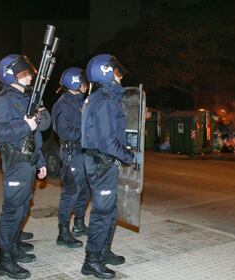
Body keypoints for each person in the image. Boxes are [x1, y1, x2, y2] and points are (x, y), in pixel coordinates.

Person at [0, 54, 47, 279]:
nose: (29, 76)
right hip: (15, 163)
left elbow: (34, 137)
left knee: (22, 207)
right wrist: (25, 125)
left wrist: (40, 161)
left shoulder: (23, 97)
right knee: (12, 211)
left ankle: (13, 246)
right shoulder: (2, 99)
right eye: (23, 73)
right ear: (9, 75)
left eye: (28, 72)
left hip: (28, 161)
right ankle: (4, 260)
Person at [81, 54, 141, 279]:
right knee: (102, 213)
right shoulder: (105, 100)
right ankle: (91, 261)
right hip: (102, 163)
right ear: (106, 73)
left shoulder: (102, 98)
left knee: (109, 211)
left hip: (101, 162)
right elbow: (107, 141)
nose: (121, 75)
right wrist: (128, 156)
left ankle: (103, 252)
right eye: (117, 71)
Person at [51, 67, 91, 248]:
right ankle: (63, 233)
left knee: (85, 190)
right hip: (71, 153)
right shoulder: (63, 104)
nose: (87, 84)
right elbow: (65, 132)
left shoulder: (81, 100)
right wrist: (88, 133)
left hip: (83, 153)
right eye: (84, 81)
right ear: (76, 82)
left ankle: (79, 224)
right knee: (71, 193)